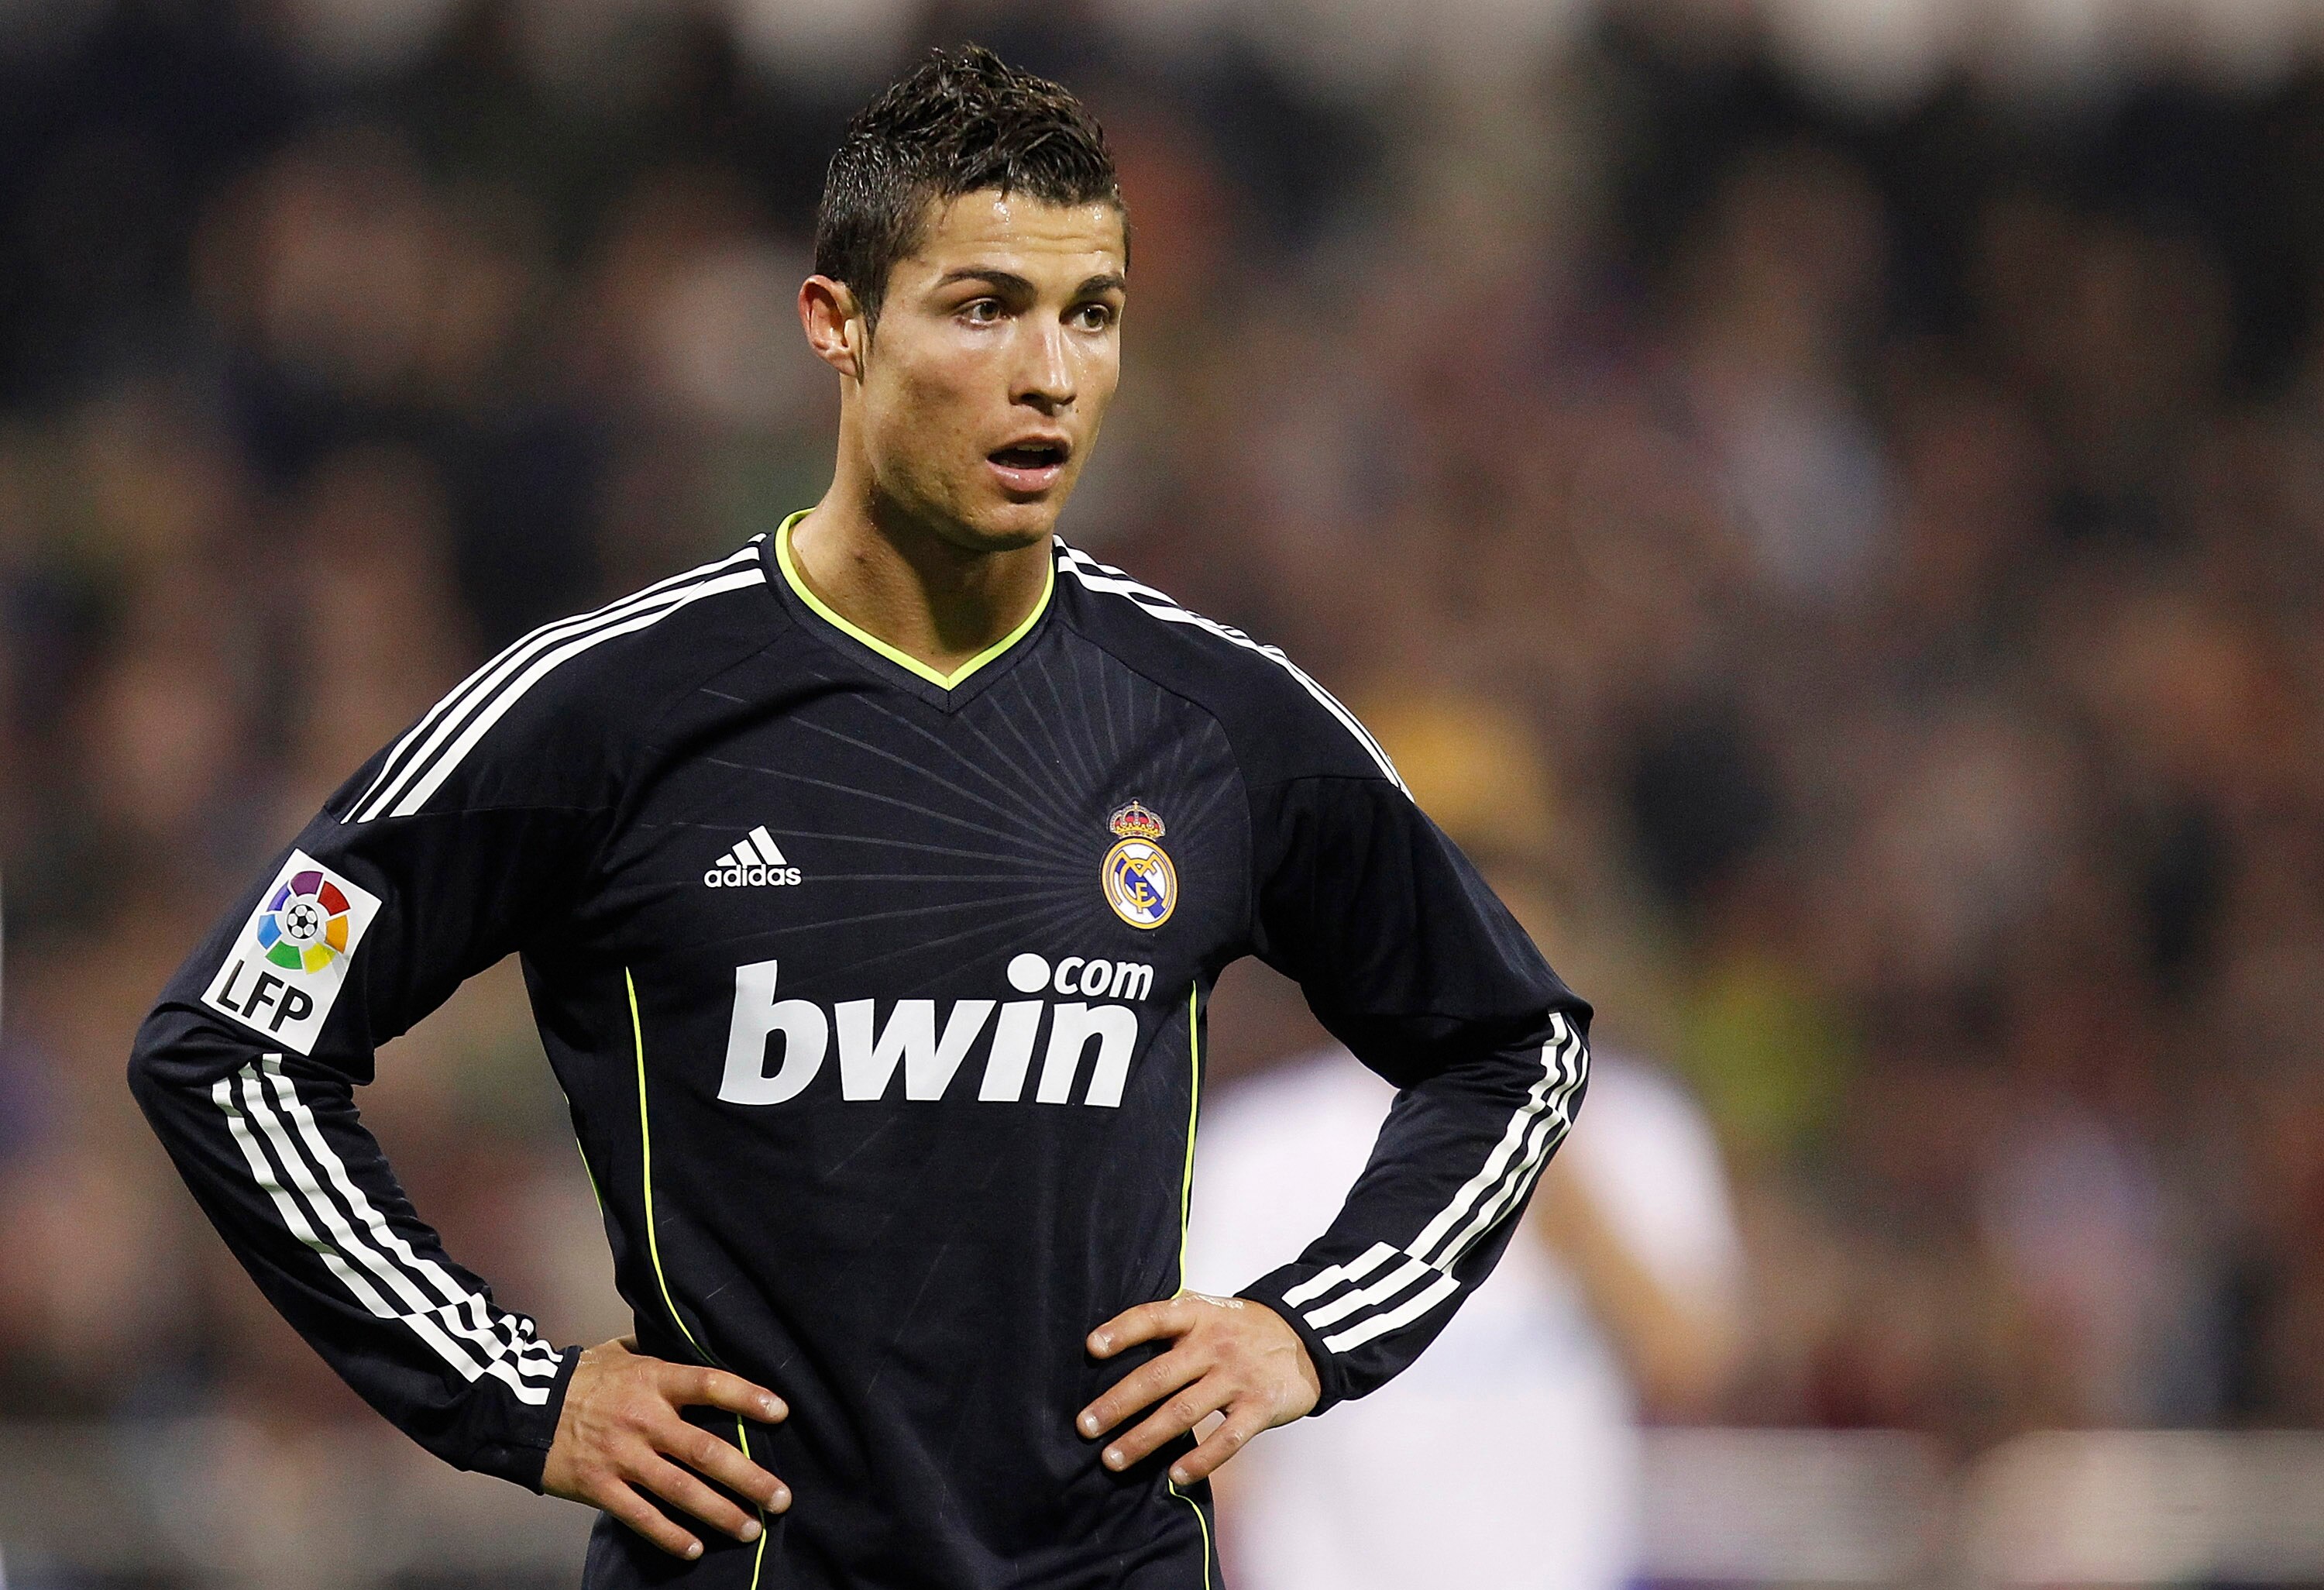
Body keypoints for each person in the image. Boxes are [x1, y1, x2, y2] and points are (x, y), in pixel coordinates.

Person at [126, 46, 1589, 1590]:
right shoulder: (603, 710)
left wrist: (1308, 1331)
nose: (1051, 374)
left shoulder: (1220, 722)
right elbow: (233, 1042)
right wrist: (518, 1391)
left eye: (1091, 314)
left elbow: (1512, 1043)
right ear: (836, 322)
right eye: (984, 309)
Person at [1188, 695, 1741, 1590]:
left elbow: (1693, 1363)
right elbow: (1211, 1431)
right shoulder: (1261, 1146)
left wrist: (1530, 1138)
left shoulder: (1636, 1126)